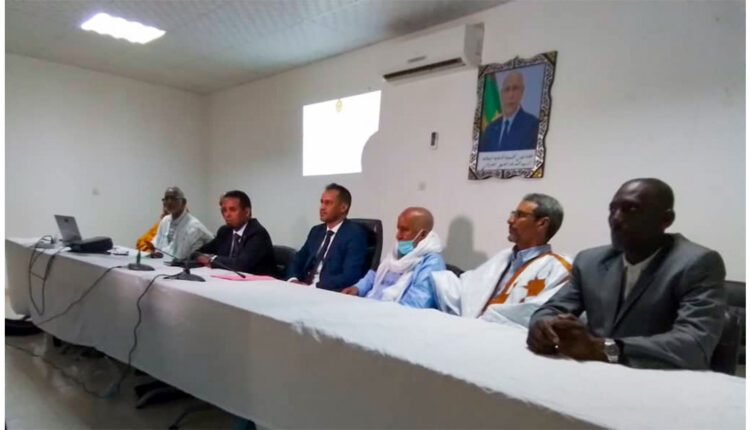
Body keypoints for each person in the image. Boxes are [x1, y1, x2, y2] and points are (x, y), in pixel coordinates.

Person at [527, 178, 726, 370]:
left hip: (661, 379)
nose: (616, 219)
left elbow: (694, 343)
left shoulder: (697, 263)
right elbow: (550, 309)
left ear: (666, 219)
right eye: (612, 209)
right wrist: (544, 327)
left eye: (631, 209)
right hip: (593, 373)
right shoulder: (590, 262)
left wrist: (602, 349)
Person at [432, 194, 571, 327]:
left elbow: (537, 313)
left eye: (520, 215)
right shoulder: (504, 256)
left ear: (542, 223)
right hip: (472, 328)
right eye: (513, 214)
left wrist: (484, 320)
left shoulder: (559, 269)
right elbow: (469, 288)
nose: (510, 220)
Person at [341, 207, 445, 308]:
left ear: (422, 234)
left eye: (404, 230)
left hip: (392, 313)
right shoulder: (398, 251)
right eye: (398, 229)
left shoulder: (432, 262)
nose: (398, 236)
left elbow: (416, 303)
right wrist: (358, 288)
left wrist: (378, 311)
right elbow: (377, 275)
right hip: (370, 305)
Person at [286, 183, 368, 292]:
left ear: (343, 207)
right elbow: (297, 260)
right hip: (303, 289)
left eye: (328, 203)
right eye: (322, 202)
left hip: (327, 292)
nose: (322, 207)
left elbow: (350, 275)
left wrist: (314, 287)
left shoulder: (355, 234)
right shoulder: (316, 231)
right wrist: (293, 280)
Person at [195, 190, 276, 276]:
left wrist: (211, 259)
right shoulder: (224, 231)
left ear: (247, 212)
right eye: (224, 210)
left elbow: (241, 265)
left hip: (259, 282)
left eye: (232, 210)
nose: (227, 215)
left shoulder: (258, 233)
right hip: (229, 279)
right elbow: (199, 252)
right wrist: (198, 255)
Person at [478, 71, 539, 152]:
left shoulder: (532, 125)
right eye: (507, 89)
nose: (511, 95)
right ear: (501, 94)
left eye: (515, 88)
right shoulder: (490, 129)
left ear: (522, 92)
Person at [151, 186, 213, 261]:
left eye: (173, 198)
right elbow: (157, 246)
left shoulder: (194, 226)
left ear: (183, 202)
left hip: (184, 266)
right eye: (166, 199)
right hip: (160, 263)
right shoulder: (164, 221)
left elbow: (213, 242)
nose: (169, 202)